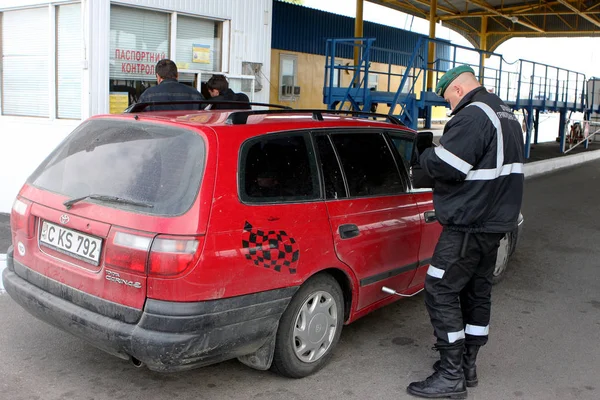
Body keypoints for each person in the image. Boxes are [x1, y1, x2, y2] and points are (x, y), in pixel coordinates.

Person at [407, 65, 524, 399]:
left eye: (447, 100)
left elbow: (449, 165)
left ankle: (450, 374)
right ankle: (468, 364)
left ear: (457, 90)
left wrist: (424, 156)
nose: (449, 107)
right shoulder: (504, 111)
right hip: (495, 221)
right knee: (477, 288)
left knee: (439, 288)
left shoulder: (473, 115)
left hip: (470, 221)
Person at [137, 59, 204, 111]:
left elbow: (138, 119)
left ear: (158, 76)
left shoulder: (148, 95)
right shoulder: (195, 94)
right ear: (177, 75)